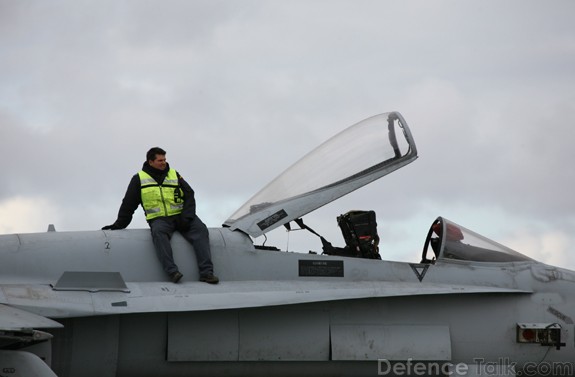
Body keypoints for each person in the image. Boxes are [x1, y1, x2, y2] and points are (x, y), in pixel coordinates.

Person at [102, 147, 219, 284]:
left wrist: (187, 217)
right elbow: (128, 204)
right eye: (160, 160)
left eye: (165, 159)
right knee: (158, 234)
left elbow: (189, 194)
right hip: (160, 220)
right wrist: (119, 224)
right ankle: (172, 272)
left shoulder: (174, 174)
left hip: (182, 216)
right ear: (150, 162)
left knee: (201, 231)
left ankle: (206, 273)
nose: (164, 162)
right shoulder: (139, 179)